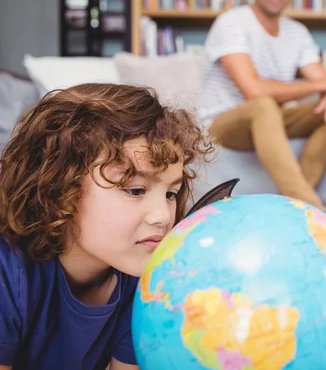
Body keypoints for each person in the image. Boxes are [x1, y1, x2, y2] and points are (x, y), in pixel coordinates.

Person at [0, 83, 211, 370]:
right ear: (60, 192)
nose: (163, 216)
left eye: (170, 194)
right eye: (135, 190)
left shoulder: (144, 281)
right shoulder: (9, 275)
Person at [201, 0, 326, 211]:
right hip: (223, 123)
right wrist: (323, 84)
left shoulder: (297, 32)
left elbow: (324, 78)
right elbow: (254, 91)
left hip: (270, 121)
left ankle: (292, 204)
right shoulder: (231, 22)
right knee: (264, 104)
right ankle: (313, 208)